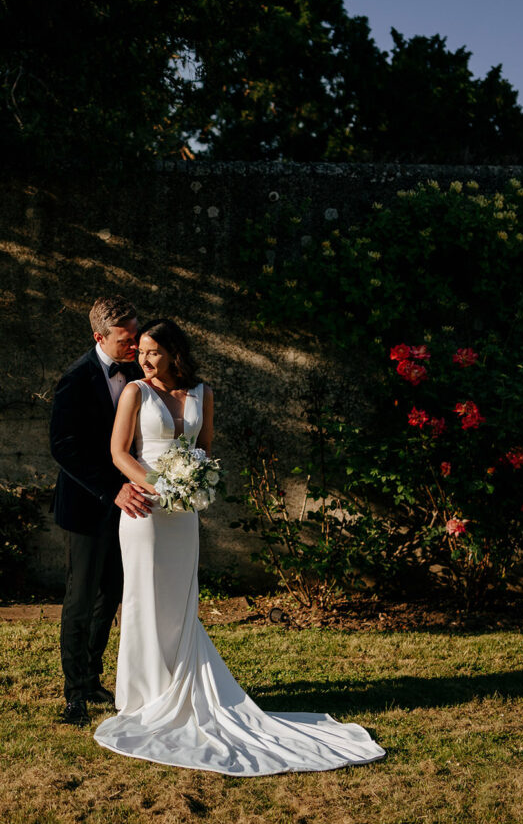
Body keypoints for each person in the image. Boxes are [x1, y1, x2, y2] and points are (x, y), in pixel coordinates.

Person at [94, 319, 386, 775]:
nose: (145, 359)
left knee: (179, 599)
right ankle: (144, 696)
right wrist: (162, 483)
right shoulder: (134, 391)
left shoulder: (203, 393)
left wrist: (194, 480)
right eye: (142, 352)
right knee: (143, 599)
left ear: (174, 353)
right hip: (146, 511)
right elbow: (119, 453)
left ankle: (182, 685)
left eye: (153, 351)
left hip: (184, 513)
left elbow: (205, 446)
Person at [50, 296, 154, 726]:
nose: (135, 347)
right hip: (88, 505)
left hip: (128, 507)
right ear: (99, 337)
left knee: (111, 594)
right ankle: (74, 694)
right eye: (126, 340)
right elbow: (64, 448)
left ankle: (92, 677)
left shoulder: (135, 372)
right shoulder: (74, 380)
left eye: (136, 337)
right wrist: (112, 489)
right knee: (80, 597)